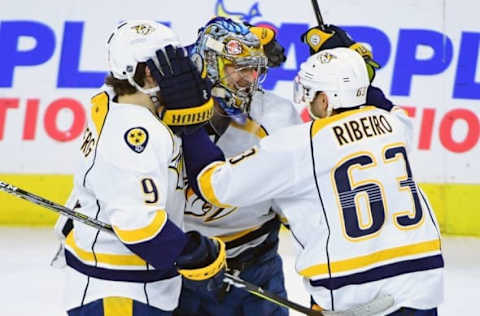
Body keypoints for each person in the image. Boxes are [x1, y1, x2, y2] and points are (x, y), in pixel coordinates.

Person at [181, 47, 444, 315]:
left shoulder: (301, 144)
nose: (307, 102)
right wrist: (347, 59)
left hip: (355, 293)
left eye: (311, 93)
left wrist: (188, 119)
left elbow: (215, 185)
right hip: (421, 283)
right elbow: (379, 101)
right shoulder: (394, 124)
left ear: (325, 99)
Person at [61, 20, 226, 316]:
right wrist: (190, 253)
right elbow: (137, 224)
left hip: (133, 288)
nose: (184, 71)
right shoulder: (135, 131)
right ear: (149, 73)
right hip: (120, 294)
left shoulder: (121, 100)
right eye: (174, 62)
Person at [174, 17, 301, 316]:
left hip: (257, 267)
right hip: (184, 268)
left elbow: (299, 208)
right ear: (209, 65)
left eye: (254, 69)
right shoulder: (164, 118)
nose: (249, 80)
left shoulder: (276, 117)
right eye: (239, 69)